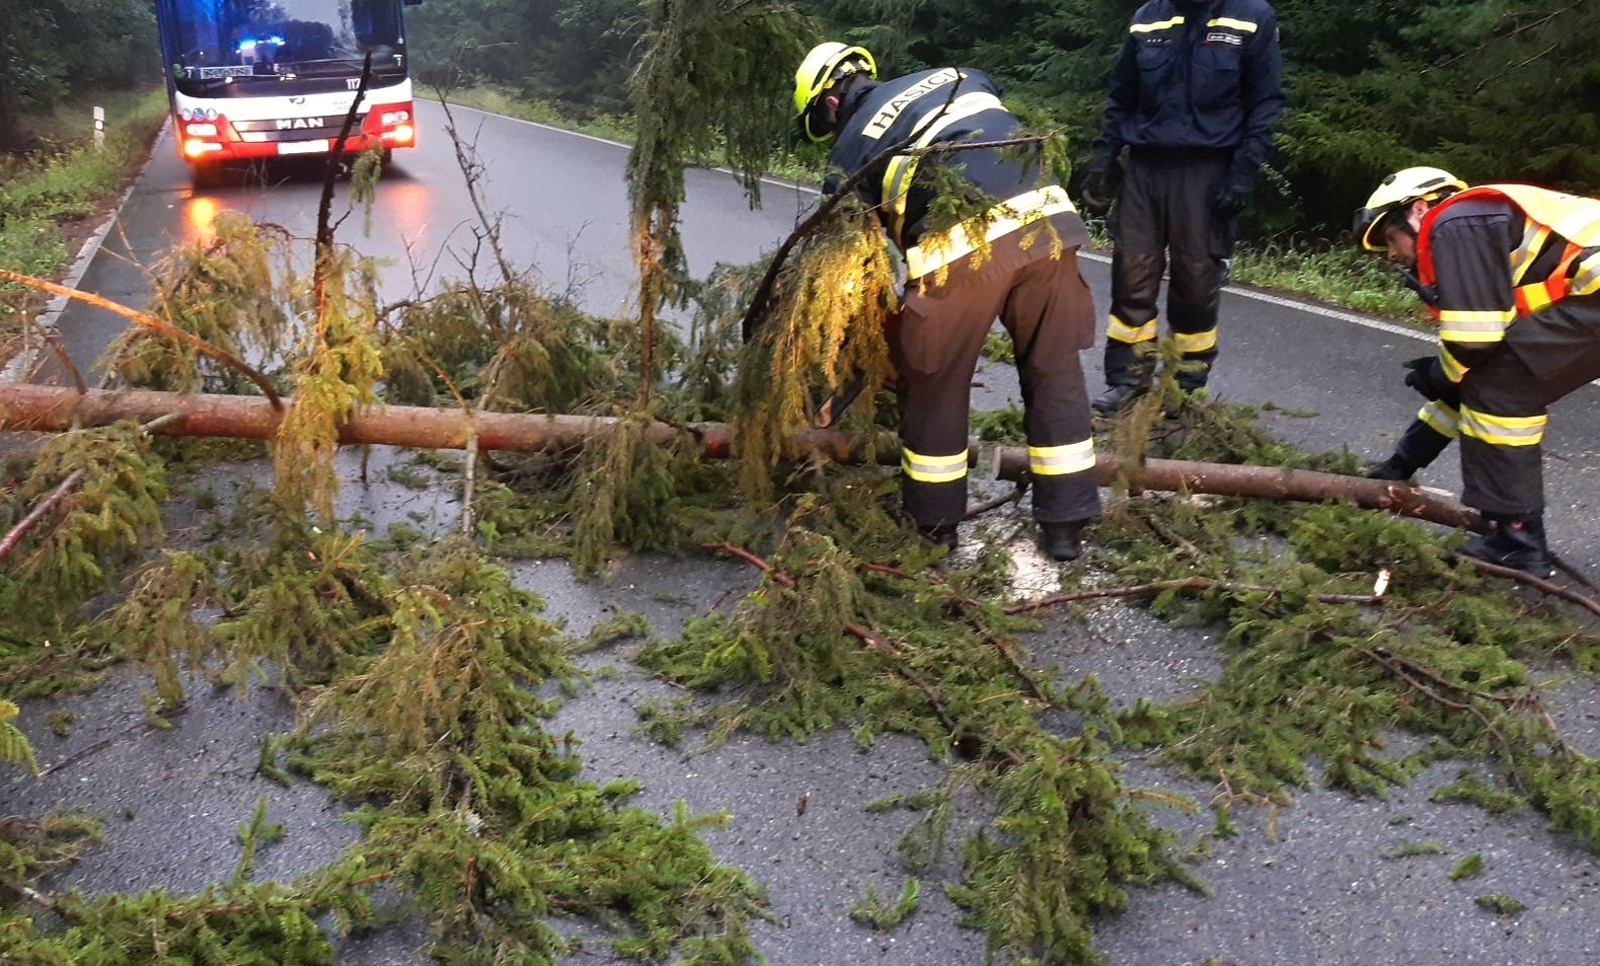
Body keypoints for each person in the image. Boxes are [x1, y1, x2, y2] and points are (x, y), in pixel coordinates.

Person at [791, 42, 1101, 561]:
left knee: (935, 382)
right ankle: (1066, 525)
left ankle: (934, 528)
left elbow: (850, 269)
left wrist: (864, 349)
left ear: (827, 101)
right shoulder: (956, 74)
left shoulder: (848, 151)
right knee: (1055, 372)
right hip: (1050, 223)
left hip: (958, 245)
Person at [1353, 167, 1600, 577]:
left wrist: (1441, 373)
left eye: (1389, 239)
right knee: (1491, 380)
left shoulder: (1456, 220)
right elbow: (1473, 367)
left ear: (1418, 210)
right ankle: (1515, 537)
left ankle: (1517, 542)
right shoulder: (1484, 229)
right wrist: (1399, 466)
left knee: (1500, 390)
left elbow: (1474, 343)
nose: (1391, 255)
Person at [1079, 0, 1284, 414]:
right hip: (1145, 168)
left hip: (1208, 169)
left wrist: (1244, 170)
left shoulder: (1250, 15)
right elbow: (1122, 98)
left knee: (1196, 280)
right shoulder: (1146, 17)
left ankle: (1184, 385)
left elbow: (1265, 102)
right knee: (1131, 275)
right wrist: (1104, 158)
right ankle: (1127, 380)